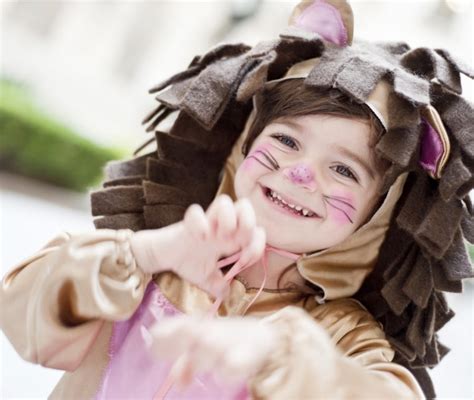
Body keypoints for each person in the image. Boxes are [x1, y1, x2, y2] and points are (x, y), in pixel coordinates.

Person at [1, 0, 472, 399]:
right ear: (242, 143)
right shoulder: (151, 260)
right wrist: (148, 252)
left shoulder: (344, 337)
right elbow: (21, 311)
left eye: (344, 169)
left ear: (377, 216)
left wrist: (282, 356)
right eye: (287, 140)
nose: (301, 173)